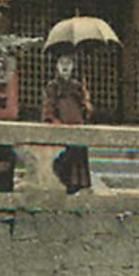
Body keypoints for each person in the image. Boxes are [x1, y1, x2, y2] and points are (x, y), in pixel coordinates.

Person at [42, 51, 92, 193]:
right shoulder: (53, 86)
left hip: (77, 125)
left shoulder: (77, 86)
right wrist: (54, 121)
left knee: (79, 158)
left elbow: (85, 107)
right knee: (63, 159)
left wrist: (84, 100)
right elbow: (48, 107)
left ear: (73, 67)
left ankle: (79, 186)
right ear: (56, 66)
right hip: (61, 125)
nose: (65, 67)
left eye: (68, 64)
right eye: (61, 63)